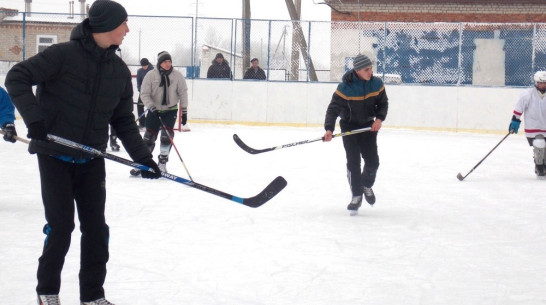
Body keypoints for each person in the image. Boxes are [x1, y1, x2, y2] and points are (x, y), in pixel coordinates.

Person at [4, 1, 162, 304]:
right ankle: (47, 292)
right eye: (124, 23)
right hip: (54, 154)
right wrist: (34, 119)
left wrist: (143, 158)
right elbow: (17, 78)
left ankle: (92, 296)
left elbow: (123, 121)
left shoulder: (118, 70)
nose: (128, 29)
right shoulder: (62, 55)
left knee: (96, 230)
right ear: (106, 25)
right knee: (61, 227)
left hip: (91, 157)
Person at [323, 54, 388, 215]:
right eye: (367, 69)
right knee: (353, 162)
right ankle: (357, 195)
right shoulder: (345, 87)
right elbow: (333, 109)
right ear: (357, 70)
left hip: (368, 127)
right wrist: (329, 129)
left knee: (373, 162)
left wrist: (379, 119)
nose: (370, 72)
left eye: (371, 69)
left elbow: (383, 103)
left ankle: (366, 184)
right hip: (349, 128)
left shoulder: (377, 84)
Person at [130, 51, 189, 176]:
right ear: (159, 63)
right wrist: (151, 106)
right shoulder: (151, 75)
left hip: (170, 110)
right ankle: (143, 162)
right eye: (165, 62)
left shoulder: (177, 76)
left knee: (166, 136)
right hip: (154, 110)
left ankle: (162, 163)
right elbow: (144, 93)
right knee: (148, 138)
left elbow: (183, 93)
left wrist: (184, 111)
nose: (168, 64)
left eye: (169, 61)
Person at [509, 70, 546, 178]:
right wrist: (515, 121)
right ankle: (539, 165)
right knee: (539, 143)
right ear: (536, 83)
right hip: (534, 129)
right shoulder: (527, 94)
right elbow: (519, 108)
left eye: (544, 82)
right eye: (540, 82)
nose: (543, 85)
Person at [136, 57, 154, 130]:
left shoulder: (152, 70)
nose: (144, 67)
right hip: (143, 92)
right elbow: (138, 82)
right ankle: (142, 123)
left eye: (145, 66)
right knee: (140, 105)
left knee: (151, 107)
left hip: (151, 93)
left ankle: (150, 123)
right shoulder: (139, 71)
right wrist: (140, 90)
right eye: (143, 66)